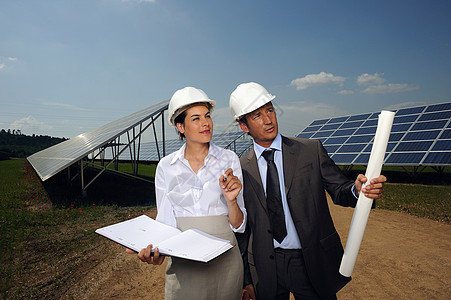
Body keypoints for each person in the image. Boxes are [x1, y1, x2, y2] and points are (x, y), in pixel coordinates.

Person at [229, 82, 387, 300]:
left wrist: (357, 190)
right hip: (265, 268)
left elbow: (340, 189)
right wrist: (246, 279)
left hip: (310, 261)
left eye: (269, 110)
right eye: (257, 116)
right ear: (244, 126)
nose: (268, 120)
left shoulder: (310, 150)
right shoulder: (240, 168)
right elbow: (244, 230)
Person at [127, 86, 247, 300]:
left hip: (226, 260)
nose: (205, 123)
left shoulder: (229, 160)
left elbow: (239, 225)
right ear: (180, 126)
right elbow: (165, 221)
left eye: (207, 116)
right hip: (184, 263)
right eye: (196, 118)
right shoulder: (166, 166)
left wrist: (232, 201)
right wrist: (155, 251)